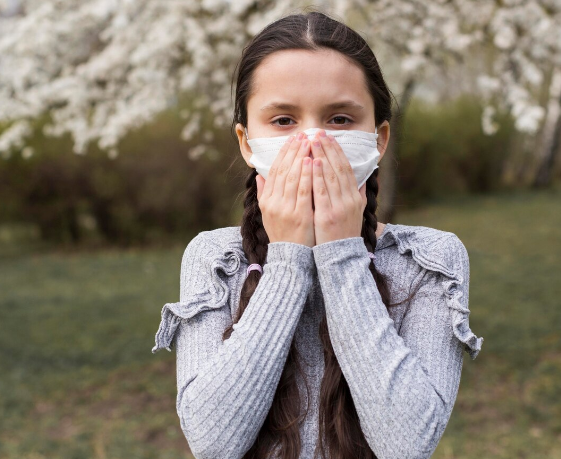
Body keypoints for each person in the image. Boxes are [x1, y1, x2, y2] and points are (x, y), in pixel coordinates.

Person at [152, 10, 484, 459]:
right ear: (247, 142)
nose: (312, 140)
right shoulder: (215, 260)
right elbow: (213, 444)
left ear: (379, 138)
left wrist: (341, 252)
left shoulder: (430, 260)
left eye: (340, 119)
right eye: (284, 120)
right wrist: (287, 258)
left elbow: (407, 445)